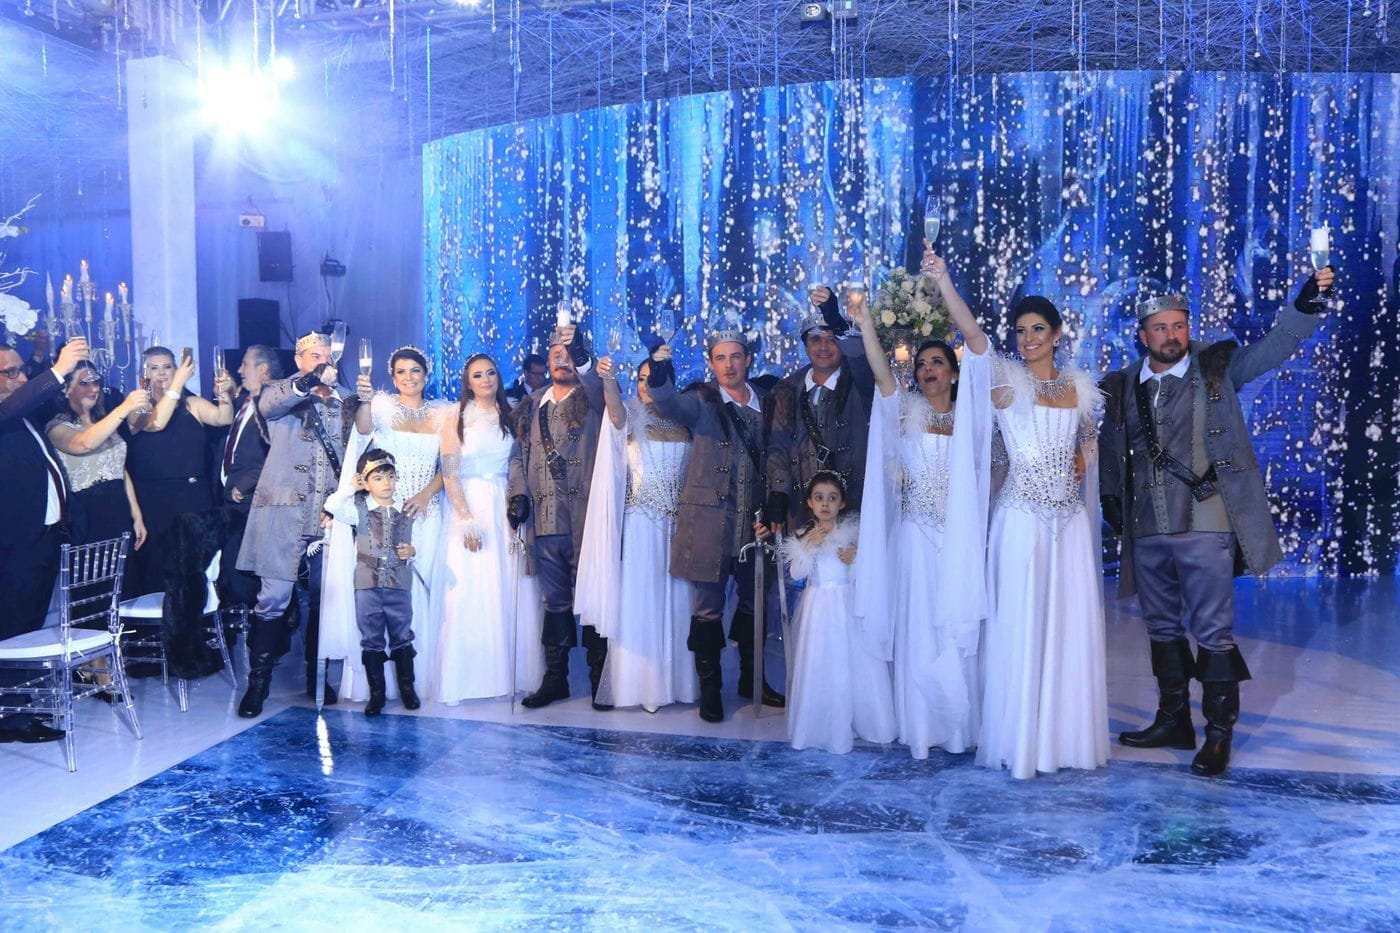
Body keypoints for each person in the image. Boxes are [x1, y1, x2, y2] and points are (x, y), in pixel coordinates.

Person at [1100, 267, 1334, 776]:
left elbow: (1274, 349)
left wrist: (1305, 308)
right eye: (1160, 328)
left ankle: (1218, 735)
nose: (1171, 336)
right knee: (1161, 627)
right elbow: (1113, 447)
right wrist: (1109, 496)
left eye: (1178, 326)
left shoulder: (1217, 367)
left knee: (1212, 630)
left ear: (1189, 327)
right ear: (1143, 335)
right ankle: (1173, 721)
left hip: (1207, 522)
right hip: (1147, 526)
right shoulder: (1121, 385)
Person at [945, 256, 1106, 780]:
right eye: (1020, 330)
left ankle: (1063, 739)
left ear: (1057, 334)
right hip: (1019, 520)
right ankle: (1019, 739)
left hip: (1069, 525)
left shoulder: (1079, 390)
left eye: (1038, 329)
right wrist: (943, 280)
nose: (1028, 338)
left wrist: (1080, 461)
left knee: (1066, 629)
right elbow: (973, 335)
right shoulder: (1004, 382)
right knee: (1021, 626)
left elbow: (1087, 445)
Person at [849, 260, 992, 760]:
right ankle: (921, 725)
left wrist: (944, 282)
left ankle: (958, 727)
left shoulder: (974, 419)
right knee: (918, 629)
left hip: (959, 541)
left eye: (938, 363)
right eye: (922, 365)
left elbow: (978, 343)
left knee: (953, 626)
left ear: (953, 373)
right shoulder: (904, 414)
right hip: (914, 540)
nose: (928, 370)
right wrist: (866, 324)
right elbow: (880, 373)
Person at [646, 328, 785, 723]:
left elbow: (779, 451)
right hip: (708, 522)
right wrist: (659, 370)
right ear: (711, 363)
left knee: (755, 603)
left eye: (735, 356)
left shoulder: (769, 402)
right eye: (721, 358)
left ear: (748, 360)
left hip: (755, 524)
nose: (729, 365)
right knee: (707, 609)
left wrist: (777, 496)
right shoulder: (701, 402)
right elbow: (667, 404)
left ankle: (752, 681)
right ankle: (710, 690)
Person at [236, 331, 355, 718]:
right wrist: (309, 380)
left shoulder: (343, 399)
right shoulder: (279, 391)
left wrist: (340, 505)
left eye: (327, 355)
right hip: (282, 512)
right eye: (314, 355)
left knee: (321, 600)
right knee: (273, 598)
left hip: (326, 515)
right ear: (299, 360)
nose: (323, 360)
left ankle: (315, 677)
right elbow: (271, 405)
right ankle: (258, 684)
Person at [325, 346, 449, 705]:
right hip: (383, 516)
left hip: (425, 513)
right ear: (393, 377)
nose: (409, 377)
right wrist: (365, 400)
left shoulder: (443, 414)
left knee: (417, 599)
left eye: (415, 370)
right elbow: (363, 433)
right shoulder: (380, 408)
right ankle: (380, 689)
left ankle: (417, 683)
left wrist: (426, 494)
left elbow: (451, 465)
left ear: (426, 374)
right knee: (381, 601)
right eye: (401, 372)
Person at [575, 353, 697, 713]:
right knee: (641, 602)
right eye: (640, 379)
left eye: (652, 378)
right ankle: (640, 686)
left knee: (676, 602)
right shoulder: (629, 418)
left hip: (677, 526)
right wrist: (609, 379)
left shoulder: (685, 421)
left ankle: (675, 684)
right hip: (641, 525)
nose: (645, 386)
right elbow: (613, 412)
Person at [508, 323, 608, 709]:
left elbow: (598, 387)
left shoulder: (594, 397)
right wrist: (518, 494)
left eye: (568, 355)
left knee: (592, 599)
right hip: (545, 520)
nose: (561, 360)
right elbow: (517, 457)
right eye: (555, 355)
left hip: (586, 519)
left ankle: (600, 680)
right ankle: (556, 679)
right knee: (554, 603)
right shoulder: (531, 404)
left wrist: (581, 353)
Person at [432, 353, 543, 703]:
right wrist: (466, 517)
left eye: (491, 373)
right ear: (468, 382)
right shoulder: (454, 416)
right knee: (471, 589)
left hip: (504, 503)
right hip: (469, 504)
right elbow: (450, 471)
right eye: (477, 375)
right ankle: (469, 678)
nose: (485, 380)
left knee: (508, 585)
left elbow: (520, 461)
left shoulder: (513, 413)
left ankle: (508, 675)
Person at [0, 337, 86, 745]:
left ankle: (21, 709)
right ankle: (12, 718)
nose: (21, 378)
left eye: (22, 370)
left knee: (28, 626)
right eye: (11, 372)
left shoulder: (22, 415)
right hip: (15, 541)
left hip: (41, 537)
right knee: (13, 629)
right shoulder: (7, 412)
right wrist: (56, 369)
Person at [779, 471, 895, 754]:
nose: (825, 504)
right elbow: (796, 573)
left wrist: (856, 559)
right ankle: (821, 724)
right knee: (821, 659)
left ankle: (863, 719)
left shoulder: (852, 535)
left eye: (832, 498)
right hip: (818, 607)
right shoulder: (804, 536)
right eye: (819, 498)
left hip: (848, 604)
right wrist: (809, 547)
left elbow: (867, 574)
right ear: (809, 502)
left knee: (854, 658)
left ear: (842, 503)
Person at [124, 345, 234, 595]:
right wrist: (178, 384)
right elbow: (156, 423)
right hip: (154, 501)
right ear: (144, 374)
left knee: (195, 571)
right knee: (158, 571)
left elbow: (223, 418)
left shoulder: (191, 404)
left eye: (167, 367)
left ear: (176, 369)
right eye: (154, 368)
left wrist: (224, 394)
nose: (162, 373)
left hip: (194, 497)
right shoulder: (137, 407)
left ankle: (197, 617)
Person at [767, 287, 875, 528]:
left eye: (832, 339)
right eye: (816, 339)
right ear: (805, 346)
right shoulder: (785, 390)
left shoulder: (861, 383)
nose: (824, 347)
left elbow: (859, 358)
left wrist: (835, 318)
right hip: (800, 511)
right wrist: (778, 492)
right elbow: (777, 447)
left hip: (851, 512)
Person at [323, 448, 418, 717]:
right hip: (367, 585)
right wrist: (349, 488)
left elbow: (417, 541)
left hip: (399, 584)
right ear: (365, 483)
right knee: (372, 637)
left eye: (390, 476)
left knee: (402, 634)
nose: (386, 483)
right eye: (377, 478)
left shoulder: (406, 509)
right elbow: (332, 505)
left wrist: (412, 551)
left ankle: (407, 689)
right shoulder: (358, 510)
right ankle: (377, 694)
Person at [218, 346, 280, 614]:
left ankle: (256, 631)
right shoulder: (247, 400)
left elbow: (277, 449)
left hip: (252, 499)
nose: (239, 370)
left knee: (245, 576)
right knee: (232, 571)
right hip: (233, 499)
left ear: (263, 369)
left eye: (245, 364)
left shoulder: (273, 402)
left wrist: (246, 484)